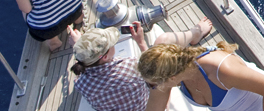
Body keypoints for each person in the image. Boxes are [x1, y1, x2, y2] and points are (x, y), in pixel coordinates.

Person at [70, 17, 213, 111]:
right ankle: (194, 34)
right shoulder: (131, 67)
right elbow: (153, 68)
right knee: (162, 40)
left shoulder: (81, 84)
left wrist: (82, 47)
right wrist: (141, 42)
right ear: (105, 56)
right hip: (153, 107)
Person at [138, 41, 264, 111]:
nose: (152, 88)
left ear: (171, 78)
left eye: (151, 85)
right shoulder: (174, 73)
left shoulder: (222, 70)